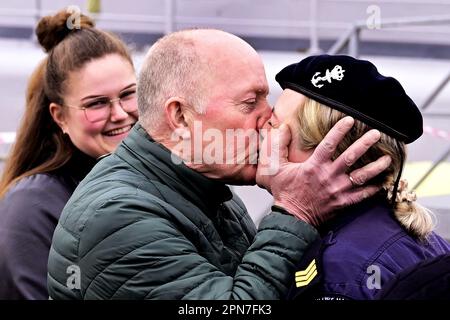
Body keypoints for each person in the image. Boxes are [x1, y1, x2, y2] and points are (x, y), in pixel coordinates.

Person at [47, 29, 390, 300]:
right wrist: (296, 211)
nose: (268, 116)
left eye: (265, 98)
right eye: (249, 102)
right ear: (180, 116)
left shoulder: (199, 184)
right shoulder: (117, 216)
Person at [269, 54, 450, 300]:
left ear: (325, 153)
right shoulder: (427, 241)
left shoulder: (341, 271)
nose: (261, 133)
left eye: (273, 125)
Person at [0, 9, 138, 299]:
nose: (120, 113)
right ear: (60, 117)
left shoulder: (156, 176)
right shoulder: (33, 206)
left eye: (128, 94)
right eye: (97, 103)